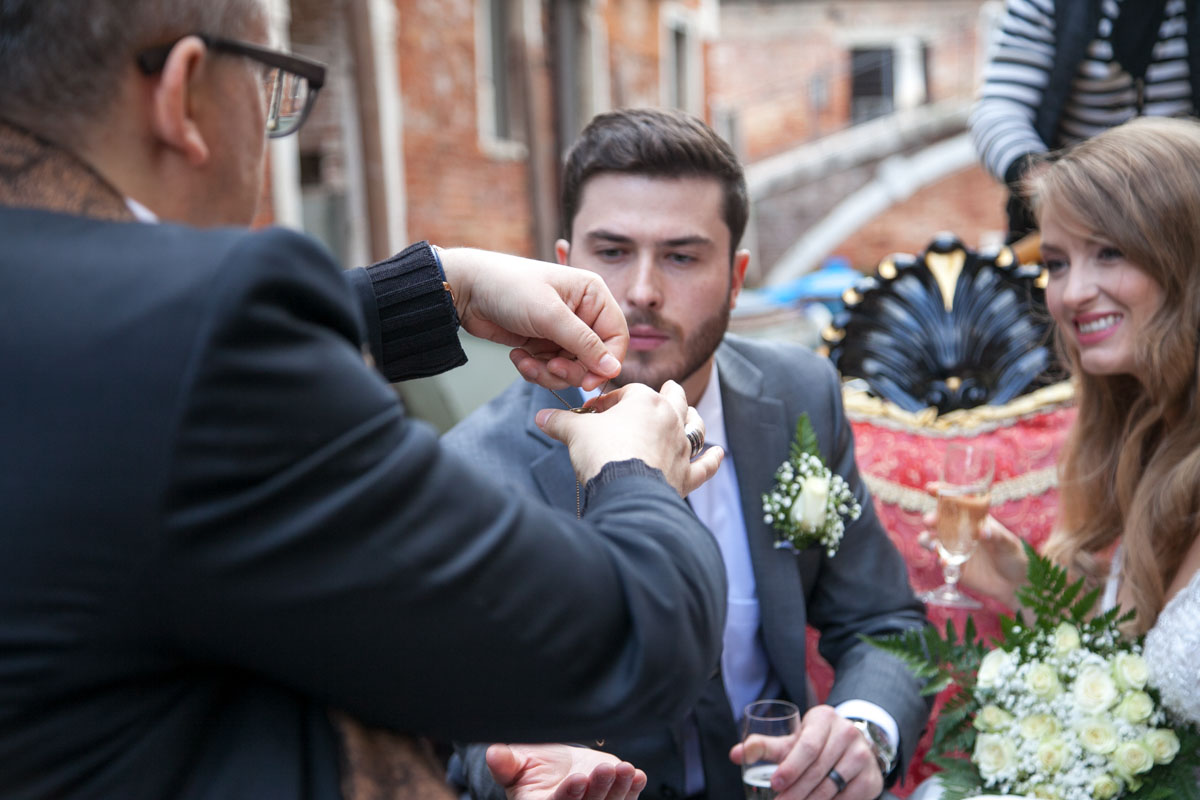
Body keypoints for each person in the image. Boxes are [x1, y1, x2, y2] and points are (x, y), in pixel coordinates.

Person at [0, 2, 733, 798]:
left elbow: (119, 355)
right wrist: (635, 470)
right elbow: (632, 635)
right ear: (186, 94)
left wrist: (438, 287)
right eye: (274, 83)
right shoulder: (211, 334)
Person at [445, 108, 931, 800]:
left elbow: (884, 622)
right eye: (611, 252)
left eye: (680, 256)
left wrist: (864, 731)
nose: (642, 290)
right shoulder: (472, 469)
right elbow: (456, 729)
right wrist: (520, 768)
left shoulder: (802, 394)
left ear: (737, 278)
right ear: (562, 268)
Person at [952, 115, 1200, 734]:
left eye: (1109, 252)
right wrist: (1027, 592)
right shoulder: (1149, 442)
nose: (1071, 293)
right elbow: (1141, 680)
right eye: (1057, 262)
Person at [968, 0, 1198, 241]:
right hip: (1071, 223)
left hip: (1186, 221)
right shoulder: (1046, 4)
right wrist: (1046, 185)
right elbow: (999, 108)